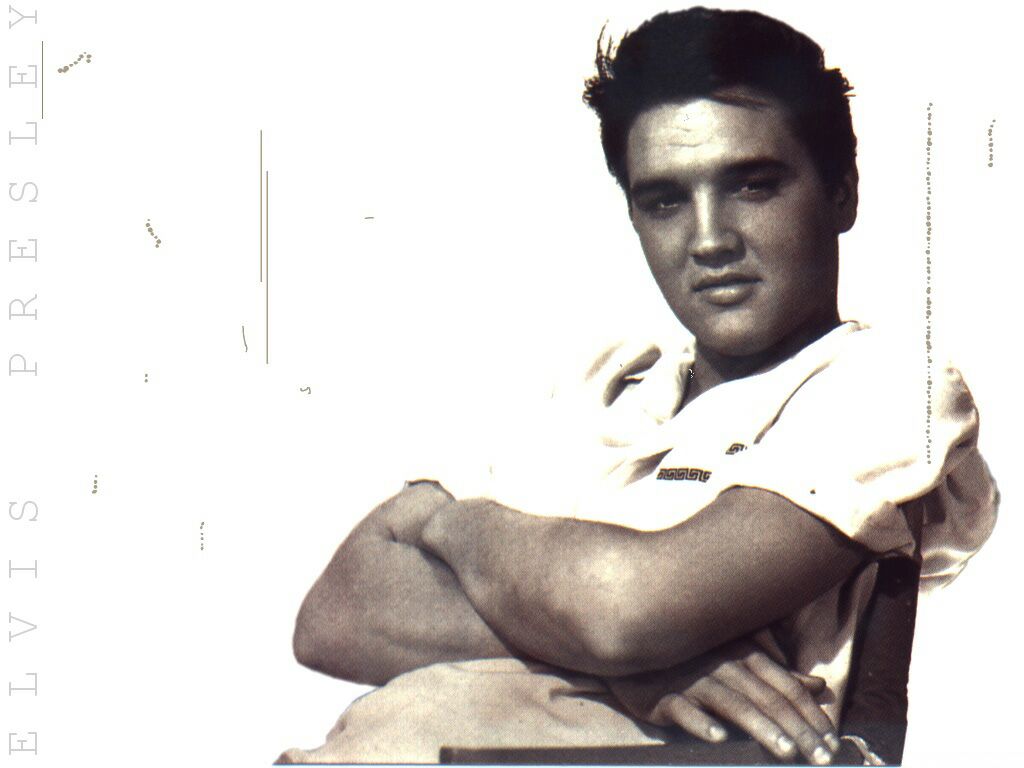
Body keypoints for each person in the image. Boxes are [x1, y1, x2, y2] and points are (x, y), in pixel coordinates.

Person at [278, 7, 997, 765]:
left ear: (842, 192)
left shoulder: (888, 387)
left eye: (753, 185)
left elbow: (622, 610)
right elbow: (336, 616)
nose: (710, 240)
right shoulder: (604, 385)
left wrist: (453, 527)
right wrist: (646, 666)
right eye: (665, 201)